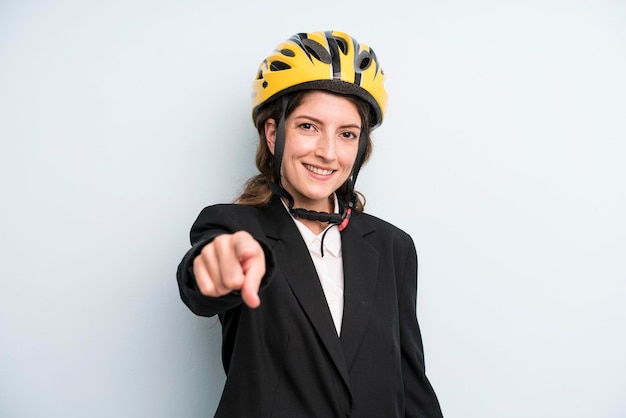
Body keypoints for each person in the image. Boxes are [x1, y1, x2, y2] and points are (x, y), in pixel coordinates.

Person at [176, 30, 443, 417]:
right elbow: (203, 282)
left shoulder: (393, 246)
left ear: (360, 146)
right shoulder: (233, 227)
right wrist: (216, 264)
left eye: (347, 134)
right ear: (273, 134)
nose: (327, 152)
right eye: (308, 126)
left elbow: (411, 383)